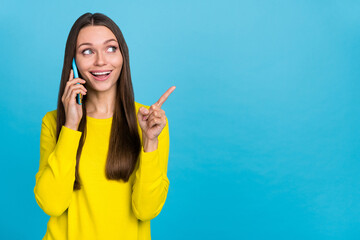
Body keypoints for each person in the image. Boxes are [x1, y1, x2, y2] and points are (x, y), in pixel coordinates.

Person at [33, 12, 175, 240]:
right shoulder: (53, 122)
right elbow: (52, 204)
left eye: (110, 48)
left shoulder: (149, 123)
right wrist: (71, 126)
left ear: (123, 56)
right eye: (87, 51)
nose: (101, 61)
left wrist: (150, 140)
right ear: (73, 62)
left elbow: (146, 210)